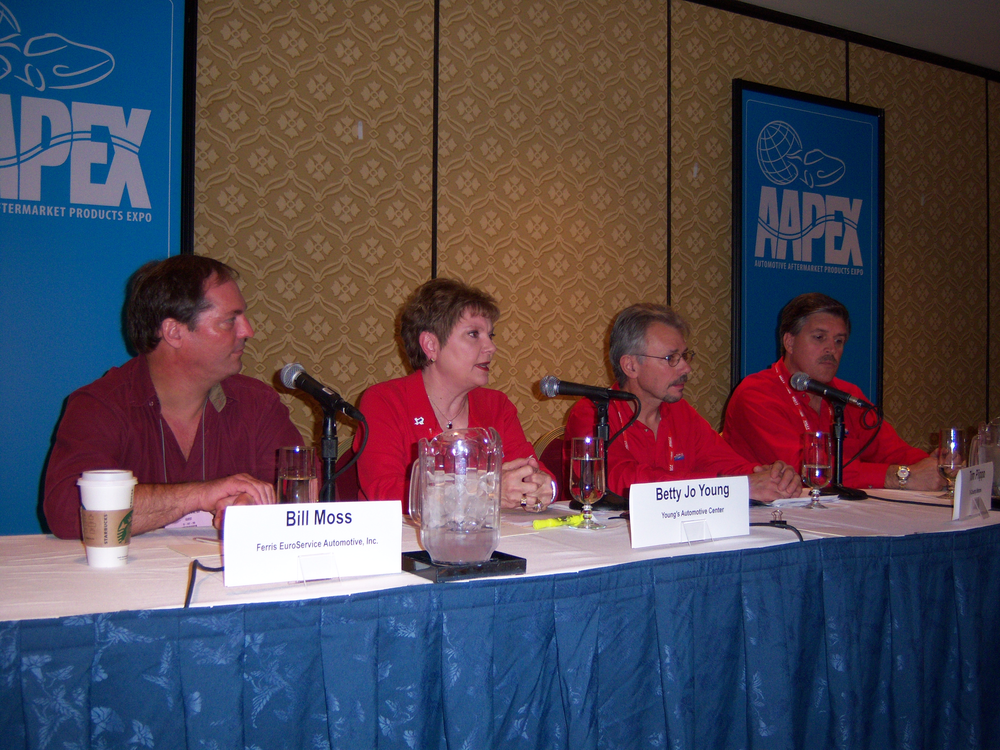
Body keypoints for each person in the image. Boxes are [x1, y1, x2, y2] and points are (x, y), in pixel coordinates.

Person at [43, 255, 303, 540]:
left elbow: (303, 495)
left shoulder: (258, 404)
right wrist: (200, 495)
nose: (248, 331)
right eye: (229, 321)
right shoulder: (99, 406)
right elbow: (68, 512)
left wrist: (254, 503)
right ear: (174, 332)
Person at [355, 278, 555, 510]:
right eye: (473, 334)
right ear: (431, 345)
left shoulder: (496, 405)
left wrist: (544, 487)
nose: (491, 347)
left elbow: (534, 470)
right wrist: (484, 492)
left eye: (490, 335)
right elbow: (385, 493)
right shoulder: (383, 401)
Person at [565, 303, 800, 502]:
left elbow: (726, 464)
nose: (686, 368)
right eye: (671, 358)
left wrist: (770, 475)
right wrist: (733, 487)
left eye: (685, 356)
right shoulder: (592, 413)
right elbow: (625, 483)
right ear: (631, 366)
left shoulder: (680, 412)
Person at [723, 292, 942, 491]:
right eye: (819, 337)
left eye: (839, 341)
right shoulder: (756, 394)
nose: (832, 349)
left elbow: (892, 451)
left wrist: (935, 464)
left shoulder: (847, 394)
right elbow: (807, 470)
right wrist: (901, 476)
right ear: (789, 342)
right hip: (778, 515)